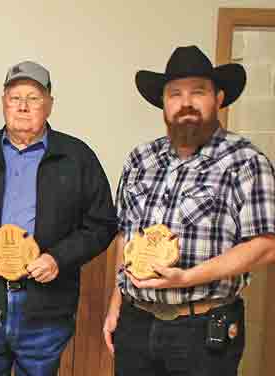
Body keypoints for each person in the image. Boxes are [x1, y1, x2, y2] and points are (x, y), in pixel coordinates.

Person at [103, 45, 275, 376]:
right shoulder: (141, 159)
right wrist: (116, 305)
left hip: (203, 327)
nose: (186, 103)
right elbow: (127, 236)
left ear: (219, 98)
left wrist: (187, 278)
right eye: (175, 94)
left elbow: (267, 244)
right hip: (136, 324)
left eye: (198, 92)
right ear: (164, 105)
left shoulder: (245, 161)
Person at [0, 61, 117, 376]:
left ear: (49, 104)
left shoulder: (77, 157)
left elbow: (102, 223)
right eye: (14, 97)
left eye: (33, 98)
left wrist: (59, 259)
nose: (23, 106)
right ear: (3, 103)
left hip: (46, 309)